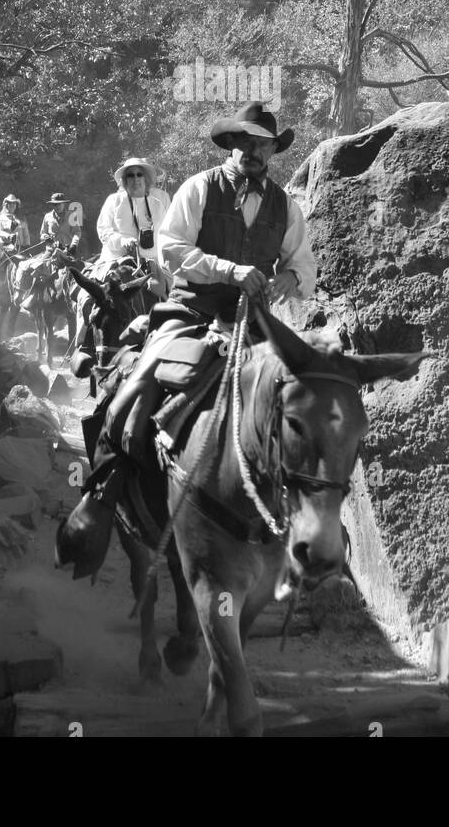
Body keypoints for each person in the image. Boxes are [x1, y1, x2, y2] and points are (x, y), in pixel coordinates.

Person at [59, 102, 316, 576]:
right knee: (135, 387)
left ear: (272, 151)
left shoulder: (286, 205)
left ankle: (303, 525)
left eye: (265, 145)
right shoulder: (200, 188)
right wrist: (229, 270)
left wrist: (289, 281)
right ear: (232, 145)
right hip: (191, 312)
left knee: (302, 403)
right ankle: (101, 497)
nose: (256, 152)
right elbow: (173, 248)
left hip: (252, 324)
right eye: (249, 143)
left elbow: (304, 262)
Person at [97, 157, 172, 281]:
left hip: (154, 263)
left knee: (178, 293)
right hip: (117, 261)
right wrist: (122, 240)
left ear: (146, 178)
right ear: (125, 180)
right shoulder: (114, 200)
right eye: (130, 175)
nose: (136, 178)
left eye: (139, 174)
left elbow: (170, 232)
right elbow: (103, 231)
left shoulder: (158, 203)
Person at [40, 192, 81, 257]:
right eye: (54, 204)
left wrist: (74, 245)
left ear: (64, 204)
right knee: (41, 264)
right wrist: (45, 237)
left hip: (69, 250)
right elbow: (42, 233)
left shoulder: (72, 216)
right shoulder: (47, 216)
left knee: (79, 266)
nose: (57, 206)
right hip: (51, 251)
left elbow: (77, 232)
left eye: (59, 204)